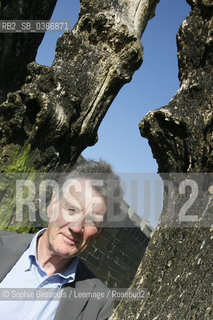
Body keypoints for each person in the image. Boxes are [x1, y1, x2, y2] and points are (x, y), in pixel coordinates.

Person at [0, 160, 122, 320]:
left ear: (100, 232)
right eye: (72, 210)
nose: (77, 227)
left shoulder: (98, 304)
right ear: (52, 205)